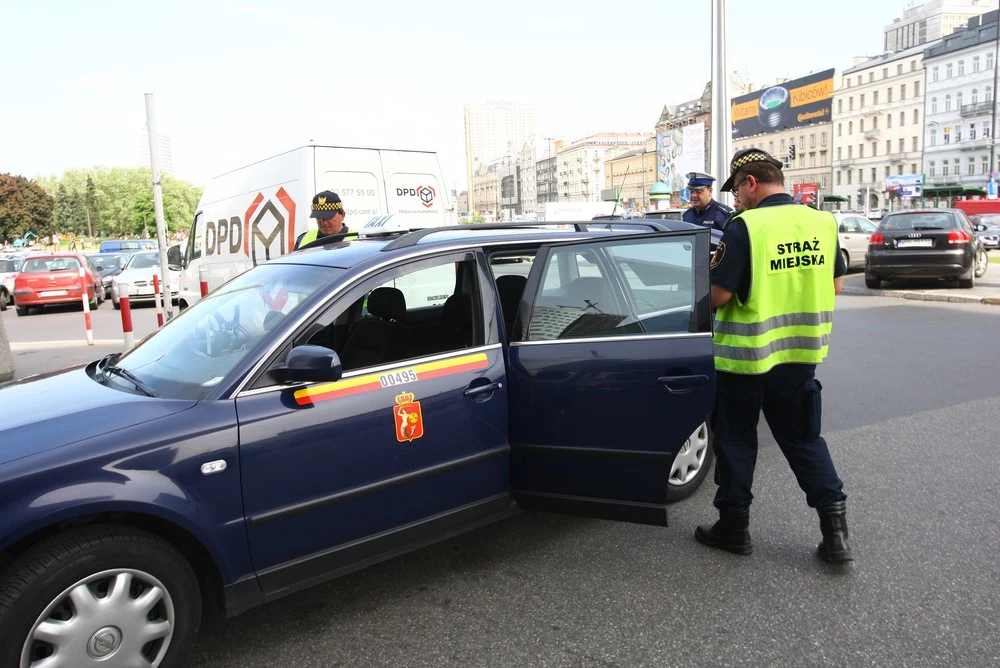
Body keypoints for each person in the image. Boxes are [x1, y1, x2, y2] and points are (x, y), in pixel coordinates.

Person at [696, 148, 852, 563]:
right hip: (800, 354)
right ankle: (835, 533)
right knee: (803, 439)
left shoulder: (746, 226)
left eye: (737, 191)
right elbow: (835, 285)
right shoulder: (822, 222)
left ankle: (734, 528)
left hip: (744, 358)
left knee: (736, 441)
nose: (736, 200)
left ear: (751, 182)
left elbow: (719, 294)